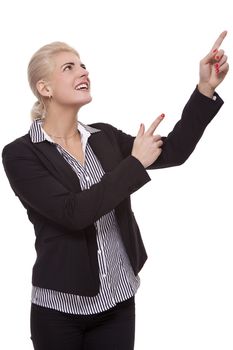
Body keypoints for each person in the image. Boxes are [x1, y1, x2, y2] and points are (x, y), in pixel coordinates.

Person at [2, 31, 229, 350]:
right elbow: (73, 213)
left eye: (83, 65)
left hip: (119, 302)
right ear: (45, 88)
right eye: (69, 67)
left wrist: (205, 89)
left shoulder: (104, 138)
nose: (84, 71)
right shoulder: (21, 154)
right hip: (59, 310)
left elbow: (174, 151)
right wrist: (134, 163)